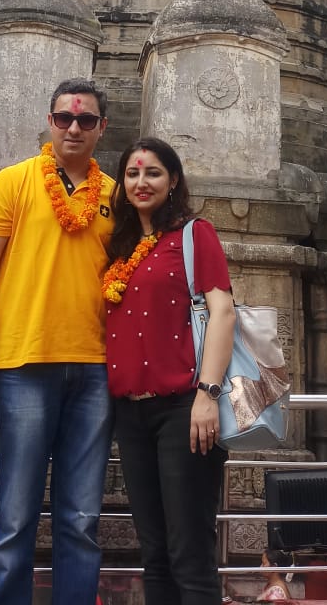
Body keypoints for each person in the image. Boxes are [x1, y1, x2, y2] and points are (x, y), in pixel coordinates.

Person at [0, 78, 115, 605]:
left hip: (96, 372)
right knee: (14, 518)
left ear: (101, 127)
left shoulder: (115, 195)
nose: (74, 128)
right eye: (64, 118)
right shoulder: (13, 182)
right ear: (50, 122)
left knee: (82, 521)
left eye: (85, 120)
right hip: (24, 368)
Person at [103, 137, 236, 605]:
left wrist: (208, 394)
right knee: (154, 554)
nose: (142, 182)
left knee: (189, 553)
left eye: (153, 172)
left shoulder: (194, 235)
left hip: (184, 410)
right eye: (133, 173)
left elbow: (223, 313)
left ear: (173, 179)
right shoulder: (119, 247)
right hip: (130, 415)